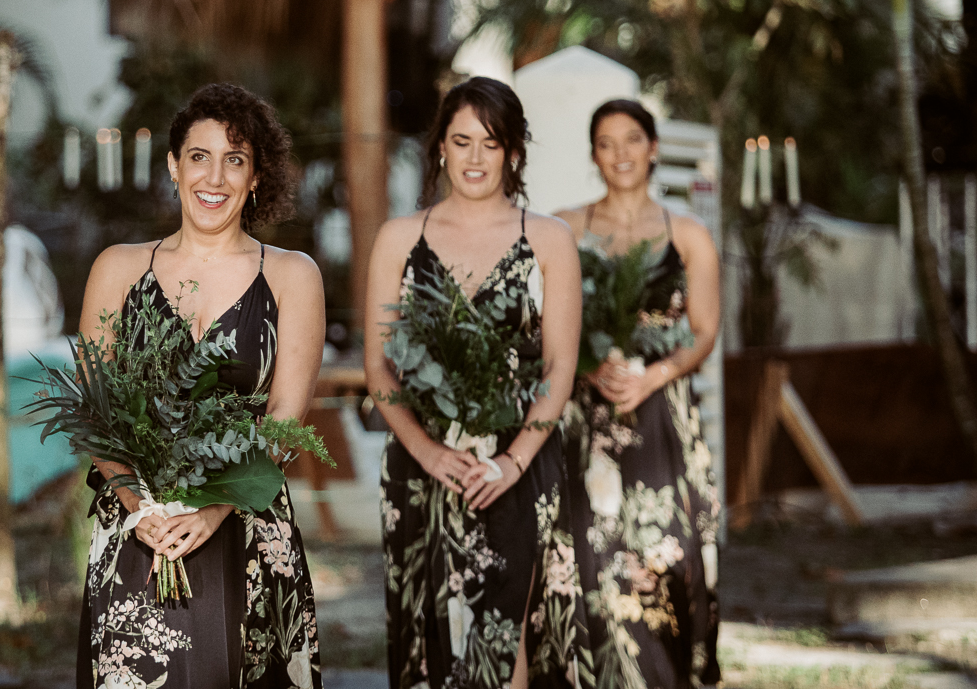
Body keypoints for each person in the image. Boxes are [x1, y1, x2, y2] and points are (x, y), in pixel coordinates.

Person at [76, 84, 325, 689]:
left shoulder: (293, 276)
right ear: (172, 165)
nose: (214, 177)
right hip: (140, 532)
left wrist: (214, 508)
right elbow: (94, 412)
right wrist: (143, 507)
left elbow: (286, 420)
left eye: (235, 159)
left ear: (256, 176)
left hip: (246, 529)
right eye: (199, 156)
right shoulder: (117, 268)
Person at [365, 76, 593, 689]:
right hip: (421, 467)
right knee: (430, 633)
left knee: (504, 640)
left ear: (513, 152)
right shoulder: (398, 238)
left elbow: (559, 369)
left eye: (489, 143)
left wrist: (514, 463)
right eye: (460, 140)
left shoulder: (549, 239)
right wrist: (431, 452)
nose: (473, 157)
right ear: (439, 146)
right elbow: (378, 368)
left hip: (518, 465)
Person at [555, 99, 721, 689]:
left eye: (632, 140)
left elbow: (704, 331)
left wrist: (652, 376)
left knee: (664, 558)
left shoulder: (689, 234)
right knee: (589, 559)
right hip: (586, 416)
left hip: (660, 414)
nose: (620, 153)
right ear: (593, 153)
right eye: (605, 142)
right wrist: (589, 365)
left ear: (653, 148)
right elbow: (545, 321)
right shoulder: (565, 227)